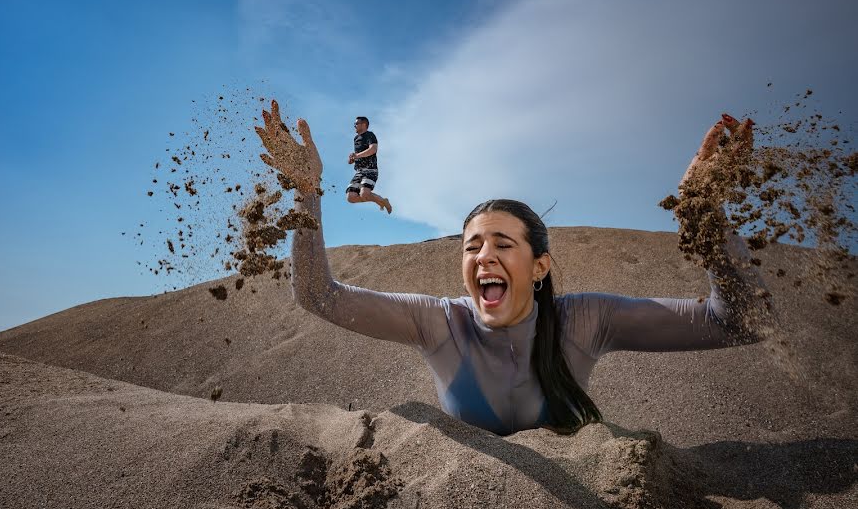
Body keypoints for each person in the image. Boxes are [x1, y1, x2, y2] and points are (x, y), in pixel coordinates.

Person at [255, 101, 771, 435]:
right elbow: (319, 297)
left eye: (503, 244)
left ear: (539, 265)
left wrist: (706, 214)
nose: (484, 257)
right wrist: (306, 193)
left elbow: (740, 322)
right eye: (472, 246)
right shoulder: (439, 322)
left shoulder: (585, 321)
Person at [346, 116, 392, 214]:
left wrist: (357, 155)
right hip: (359, 171)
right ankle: (380, 201)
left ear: (364, 124)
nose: (354, 126)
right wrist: (352, 159)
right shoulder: (356, 138)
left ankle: (383, 201)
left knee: (364, 194)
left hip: (371, 170)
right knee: (350, 197)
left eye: (356, 124)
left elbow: (373, 149)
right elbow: (360, 155)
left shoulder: (370, 135)